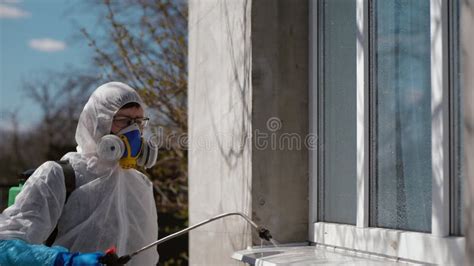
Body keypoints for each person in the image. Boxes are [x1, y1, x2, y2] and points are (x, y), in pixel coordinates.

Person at [0, 82, 159, 265]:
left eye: (139, 122)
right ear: (97, 122)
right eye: (124, 120)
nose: (134, 131)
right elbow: (5, 247)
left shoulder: (141, 186)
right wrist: (65, 261)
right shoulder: (59, 175)